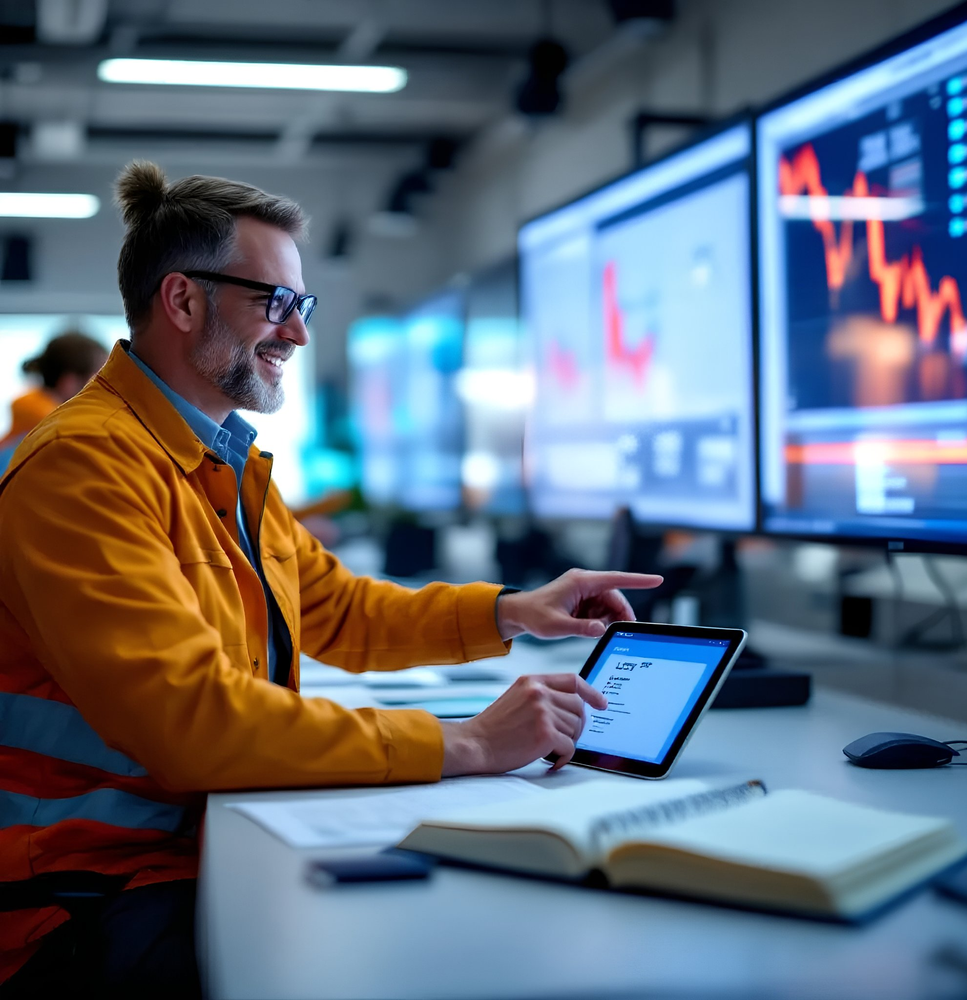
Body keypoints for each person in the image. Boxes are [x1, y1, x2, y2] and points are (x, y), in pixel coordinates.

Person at [0, 161, 661, 996]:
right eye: (275, 303)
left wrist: (512, 611)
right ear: (183, 301)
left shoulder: (213, 457)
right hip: (81, 894)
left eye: (301, 305)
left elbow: (333, 608)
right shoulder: (85, 467)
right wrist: (468, 744)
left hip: (181, 845)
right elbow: (188, 721)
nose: (299, 334)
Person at [0, 330, 107, 472]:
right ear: (69, 382)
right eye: (99, 378)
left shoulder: (29, 422)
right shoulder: (60, 437)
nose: (107, 388)